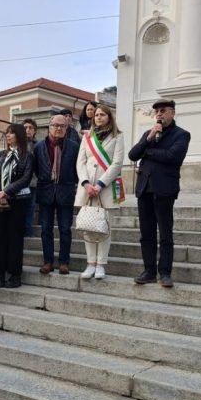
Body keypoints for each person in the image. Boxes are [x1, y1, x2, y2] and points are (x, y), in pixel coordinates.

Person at [128, 99, 191, 288]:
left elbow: (173, 157)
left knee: (165, 233)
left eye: (163, 111)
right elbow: (132, 155)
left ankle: (165, 273)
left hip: (164, 190)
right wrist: (148, 140)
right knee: (146, 234)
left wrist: (148, 152)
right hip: (144, 189)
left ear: (173, 113)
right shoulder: (149, 134)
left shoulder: (182, 135)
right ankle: (149, 271)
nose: (159, 115)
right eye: (157, 112)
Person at [74, 104, 126, 280]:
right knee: (88, 227)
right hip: (87, 188)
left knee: (104, 228)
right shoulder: (87, 137)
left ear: (109, 117)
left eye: (102, 114)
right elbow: (80, 162)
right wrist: (87, 183)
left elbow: (117, 163)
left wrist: (100, 184)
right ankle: (90, 264)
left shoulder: (118, 136)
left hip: (106, 188)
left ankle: (101, 264)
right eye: (96, 115)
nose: (98, 117)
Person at [33, 114, 79, 275]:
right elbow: (37, 169)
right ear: (49, 127)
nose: (58, 128)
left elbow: (77, 169)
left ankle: (64, 262)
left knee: (65, 229)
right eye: (55, 125)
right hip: (45, 191)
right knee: (46, 229)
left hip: (66, 192)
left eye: (62, 126)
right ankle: (48, 262)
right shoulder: (39, 146)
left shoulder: (74, 146)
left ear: (67, 129)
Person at [0, 124, 33, 289]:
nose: (8, 136)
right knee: (0, 238)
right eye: (6, 133)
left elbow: (26, 178)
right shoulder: (1, 155)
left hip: (18, 202)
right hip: (0, 203)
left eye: (11, 133)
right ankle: (0, 274)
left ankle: (15, 274)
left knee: (15, 239)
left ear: (19, 135)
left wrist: (6, 192)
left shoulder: (27, 156)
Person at [23, 118, 38, 236]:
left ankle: (27, 230)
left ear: (34, 131)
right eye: (25, 128)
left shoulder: (38, 145)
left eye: (30, 128)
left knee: (31, 206)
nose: (27, 130)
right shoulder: (17, 145)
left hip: (33, 182)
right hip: (18, 182)